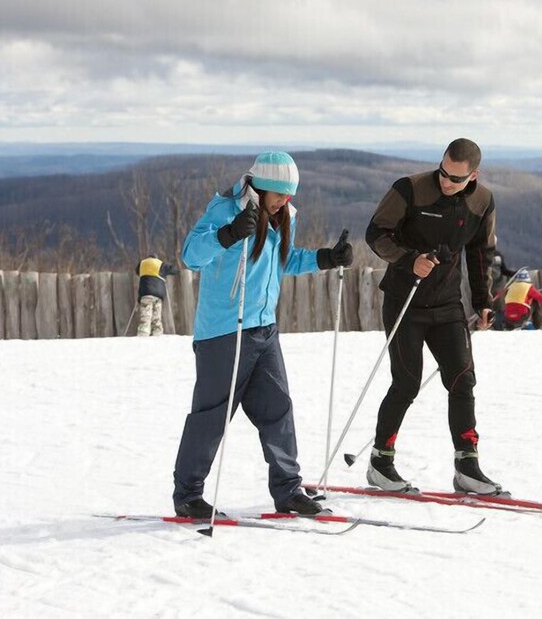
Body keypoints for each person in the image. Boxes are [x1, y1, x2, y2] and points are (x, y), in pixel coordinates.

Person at [171, 151, 354, 519]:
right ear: (260, 186)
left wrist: (325, 258)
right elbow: (190, 256)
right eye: (280, 193)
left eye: (290, 194)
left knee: (278, 410)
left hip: (264, 329)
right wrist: (228, 233)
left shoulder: (284, 216)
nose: (286, 200)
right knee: (212, 415)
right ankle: (188, 495)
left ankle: (287, 489)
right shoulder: (225, 210)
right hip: (224, 332)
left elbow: (281, 260)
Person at [364, 137, 503, 495]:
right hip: (405, 301)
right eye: (443, 172)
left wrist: (483, 301)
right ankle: (381, 462)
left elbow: (480, 254)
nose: (446, 182)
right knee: (407, 383)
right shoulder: (410, 189)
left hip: (447, 305)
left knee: (462, 381)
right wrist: (411, 259)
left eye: (456, 178)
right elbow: (376, 234)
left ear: (473, 175)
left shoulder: (482, 201)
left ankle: (467, 467)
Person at [134, 254, 180, 336]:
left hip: (145, 294)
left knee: (145, 316)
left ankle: (142, 335)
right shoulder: (159, 264)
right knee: (157, 317)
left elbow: (137, 271)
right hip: (158, 295)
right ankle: (157, 334)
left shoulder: (142, 264)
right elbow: (174, 270)